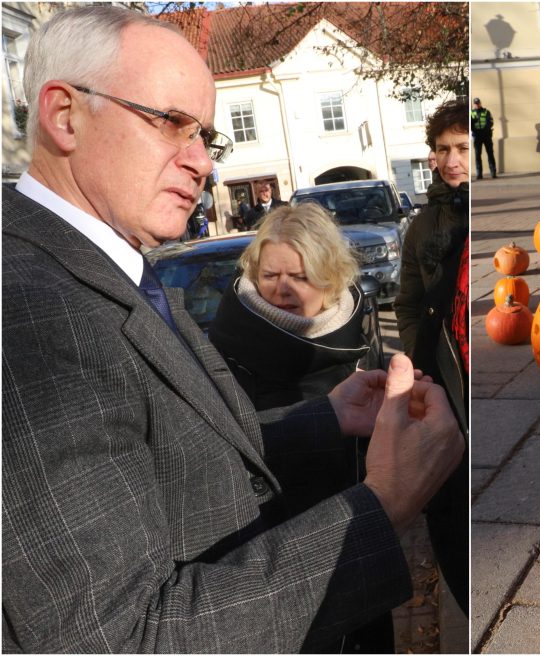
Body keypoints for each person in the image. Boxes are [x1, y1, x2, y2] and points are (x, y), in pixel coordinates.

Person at [1, 6, 463, 653]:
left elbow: (164, 465)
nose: (204, 165)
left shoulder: (105, 264)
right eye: (171, 124)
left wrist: (323, 420)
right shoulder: (25, 312)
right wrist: (382, 508)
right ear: (64, 115)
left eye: (207, 138)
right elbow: (124, 638)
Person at [208, 203, 392, 652]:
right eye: (270, 276)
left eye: (300, 277)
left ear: (330, 277)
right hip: (272, 550)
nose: (282, 290)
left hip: (358, 536)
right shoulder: (225, 349)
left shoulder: (354, 328)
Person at [395, 98, 470, 620]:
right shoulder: (424, 225)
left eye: (462, 147)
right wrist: (419, 363)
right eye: (442, 149)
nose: (451, 160)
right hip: (445, 373)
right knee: (449, 501)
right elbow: (406, 301)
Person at [471, 97, 497, 180]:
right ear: (473, 104)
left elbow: (491, 121)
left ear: (480, 103)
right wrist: (473, 125)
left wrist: (486, 128)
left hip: (486, 135)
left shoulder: (486, 111)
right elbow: (469, 125)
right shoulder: (471, 113)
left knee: (490, 154)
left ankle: (493, 173)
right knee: (478, 155)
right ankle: (479, 174)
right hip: (477, 136)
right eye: (475, 103)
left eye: (478, 103)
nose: (477, 105)